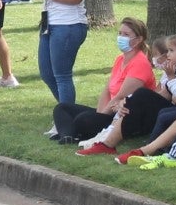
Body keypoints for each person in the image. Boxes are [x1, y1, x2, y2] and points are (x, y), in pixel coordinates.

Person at [52, 18, 153, 149]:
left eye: (126, 35)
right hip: (109, 112)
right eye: (120, 33)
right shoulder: (120, 59)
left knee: (84, 119)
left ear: (138, 40)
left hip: (121, 116)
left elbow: (120, 96)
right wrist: (99, 113)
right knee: (62, 108)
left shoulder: (140, 63)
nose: (121, 37)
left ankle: (74, 131)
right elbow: (107, 90)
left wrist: (100, 117)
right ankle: (67, 136)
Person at [31, 0, 91, 120]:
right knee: (46, 73)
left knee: (62, 75)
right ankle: (70, 113)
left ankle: (66, 119)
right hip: (49, 23)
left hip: (69, 25)